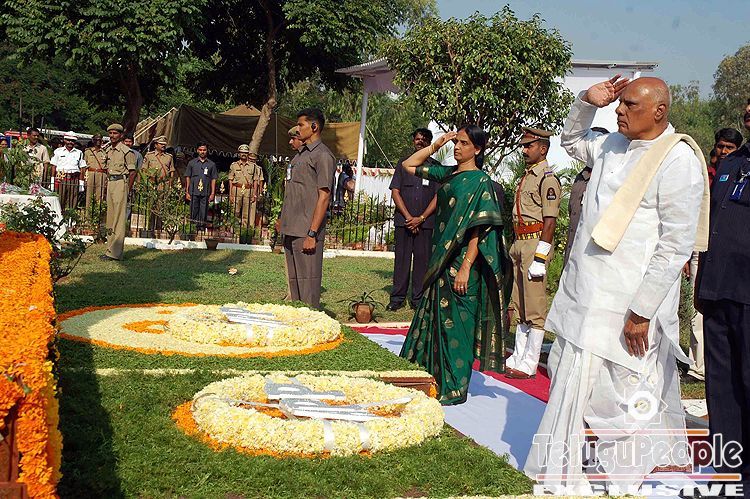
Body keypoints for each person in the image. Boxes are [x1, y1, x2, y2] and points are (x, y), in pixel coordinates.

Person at [525, 76, 708, 494]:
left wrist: (642, 311)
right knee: (570, 378)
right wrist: (586, 102)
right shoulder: (610, 144)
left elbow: (675, 244)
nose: (620, 111)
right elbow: (572, 141)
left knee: (623, 395)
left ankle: (623, 478)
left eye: (630, 105)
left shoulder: (677, 159)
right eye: (619, 103)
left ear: (659, 111)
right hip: (584, 291)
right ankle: (564, 469)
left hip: (628, 302)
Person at [397, 125, 507, 405]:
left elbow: (479, 229)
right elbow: (408, 164)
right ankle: (430, 375)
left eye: (464, 143)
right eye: (456, 142)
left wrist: (467, 266)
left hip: (462, 263)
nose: (457, 147)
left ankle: (455, 386)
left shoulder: (481, 182)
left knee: (458, 325)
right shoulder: (447, 174)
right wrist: (437, 145)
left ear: (477, 149)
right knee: (437, 320)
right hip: (441, 261)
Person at [695, 132, 750, 494]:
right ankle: (728, 471)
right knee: (720, 386)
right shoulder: (731, 164)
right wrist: (702, 282)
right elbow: (710, 225)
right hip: (718, 290)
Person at [683, 126, 743, 382]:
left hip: (732, 256)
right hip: (701, 248)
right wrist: (687, 254)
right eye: (721, 146)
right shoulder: (705, 175)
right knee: (698, 309)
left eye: (730, 148)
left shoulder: (741, 173)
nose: (724, 151)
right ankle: (698, 367)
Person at [504, 127, 561, 380]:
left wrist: (540, 256)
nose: (524, 150)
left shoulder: (547, 179)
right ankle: (518, 355)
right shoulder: (528, 175)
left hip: (535, 242)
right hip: (520, 241)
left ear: (543, 149)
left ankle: (530, 360)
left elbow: (550, 221)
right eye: (524, 146)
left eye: (529, 146)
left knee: (535, 305)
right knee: (520, 303)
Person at [278, 108, 336, 309]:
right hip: (291, 228)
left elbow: (324, 196)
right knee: (295, 287)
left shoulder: (323, 156)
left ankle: (311, 323)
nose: (298, 128)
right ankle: (296, 324)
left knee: (308, 288)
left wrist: (312, 233)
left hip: (306, 231)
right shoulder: (299, 156)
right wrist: (283, 221)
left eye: (301, 125)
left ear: (314, 127)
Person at [386, 127, 439, 311]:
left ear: (430, 143)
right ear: (413, 141)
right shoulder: (403, 164)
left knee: (422, 263)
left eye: (424, 140)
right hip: (404, 222)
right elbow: (395, 192)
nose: (420, 142)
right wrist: (409, 217)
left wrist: (421, 218)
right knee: (401, 261)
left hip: (426, 224)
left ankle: (418, 299)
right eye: (417, 139)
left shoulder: (435, 168)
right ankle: (397, 299)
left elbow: (437, 196)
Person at [563, 126, 608, 266]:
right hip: (572, 249)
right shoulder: (580, 178)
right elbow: (573, 213)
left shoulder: (607, 179)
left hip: (591, 257)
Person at [101, 124, 137, 261]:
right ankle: (109, 249)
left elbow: (132, 172)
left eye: (115, 133)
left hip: (121, 183)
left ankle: (115, 253)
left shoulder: (126, 151)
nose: (112, 136)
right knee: (110, 218)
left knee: (119, 219)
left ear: (121, 135)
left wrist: (127, 189)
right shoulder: (109, 150)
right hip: (111, 182)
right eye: (110, 133)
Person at [228, 145, 262, 229]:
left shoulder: (253, 166)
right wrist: (230, 194)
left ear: (248, 154)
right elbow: (230, 180)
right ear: (239, 153)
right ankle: (233, 229)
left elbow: (255, 180)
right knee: (235, 211)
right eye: (242, 152)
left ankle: (244, 230)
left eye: (245, 153)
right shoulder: (234, 165)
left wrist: (254, 194)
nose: (243, 154)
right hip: (237, 189)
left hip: (248, 190)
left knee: (246, 213)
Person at [50, 131, 86, 211]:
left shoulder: (79, 153)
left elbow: (82, 168)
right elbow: (53, 166)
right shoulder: (58, 151)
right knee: (59, 200)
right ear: (64, 140)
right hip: (61, 178)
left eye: (72, 141)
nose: (70, 142)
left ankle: (70, 217)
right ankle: (58, 217)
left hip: (74, 179)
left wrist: (81, 183)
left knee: (72, 201)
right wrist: (52, 181)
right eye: (68, 140)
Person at [185, 142, 217, 229]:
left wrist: (212, 193)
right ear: (197, 150)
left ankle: (201, 227)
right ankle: (192, 227)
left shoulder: (211, 164)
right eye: (200, 150)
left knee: (204, 211)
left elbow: (213, 179)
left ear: (207, 151)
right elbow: (188, 177)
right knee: (193, 210)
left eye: (204, 150)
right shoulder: (192, 163)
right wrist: (187, 192)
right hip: (193, 191)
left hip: (205, 192)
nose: (202, 152)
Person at [83, 134, 107, 215]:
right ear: (93, 140)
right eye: (96, 140)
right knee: (89, 195)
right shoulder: (88, 152)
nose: (98, 141)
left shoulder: (105, 152)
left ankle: (97, 215)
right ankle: (88, 216)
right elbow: (84, 165)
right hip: (90, 173)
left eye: (100, 140)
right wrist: (84, 178)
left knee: (99, 196)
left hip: (101, 174)